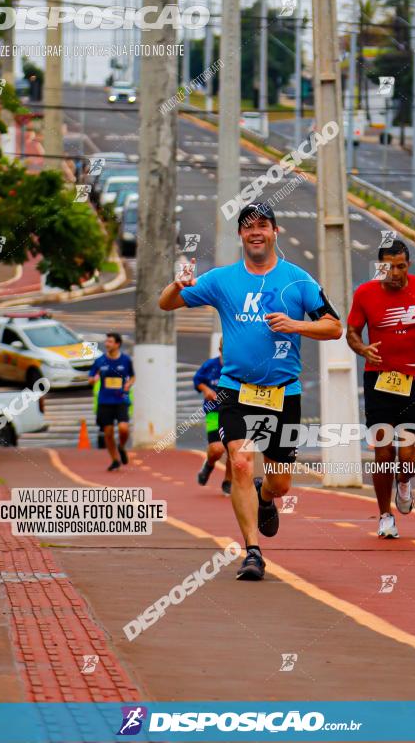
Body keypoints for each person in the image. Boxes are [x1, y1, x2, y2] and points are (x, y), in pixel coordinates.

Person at [159, 201, 342, 581]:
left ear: (275, 232)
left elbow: (334, 327)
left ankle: (264, 496)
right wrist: (176, 285)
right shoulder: (223, 279)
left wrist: (295, 325)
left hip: (283, 394)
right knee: (239, 461)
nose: (255, 231)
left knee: (280, 482)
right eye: (248, 226)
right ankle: (252, 551)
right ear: (240, 235)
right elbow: (166, 304)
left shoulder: (298, 280)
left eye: (263, 225)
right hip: (234, 391)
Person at [346, 239, 415, 538]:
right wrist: (363, 349)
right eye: (388, 267)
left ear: (408, 265)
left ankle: (403, 483)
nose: (395, 273)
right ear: (380, 266)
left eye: (400, 266)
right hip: (379, 380)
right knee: (383, 452)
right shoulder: (365, 293)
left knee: (408, 457)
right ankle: (384, 516)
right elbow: (352, 331)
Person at [88, 332, 135, 471]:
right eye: (106, 341)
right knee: (108, 433)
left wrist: (129, 384)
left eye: (110, 342)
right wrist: (93, 380)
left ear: (117, 344)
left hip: (121, 400)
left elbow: (132, 376)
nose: (107, 344)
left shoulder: (126, 360)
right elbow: (90, 377)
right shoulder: (100, 360)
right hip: (105, 401)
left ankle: (121, 447)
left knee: (123, 428)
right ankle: (115, 459)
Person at [194, 339, 232, 495]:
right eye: (225, 348)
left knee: (234, 449)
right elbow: (198, 380)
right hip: (214, 412)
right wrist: (206, 390)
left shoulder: (240, 365)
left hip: (235, 412)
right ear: (220, 349)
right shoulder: (210, 365)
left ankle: (228, 481)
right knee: (217, 449)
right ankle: (209, 464)